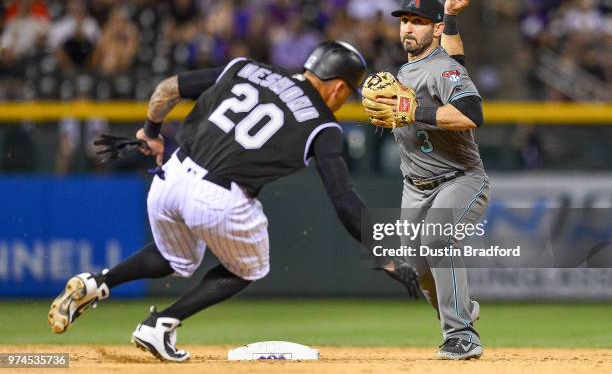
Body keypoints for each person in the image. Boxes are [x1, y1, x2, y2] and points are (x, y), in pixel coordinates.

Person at [47, 41, 418, 362]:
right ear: (338, 88)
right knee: (249, 268)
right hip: (219, 195)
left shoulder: (245, 67)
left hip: (170, 175)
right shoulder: (323, 125)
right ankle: (161, 324)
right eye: (347, 92)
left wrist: (152, 131)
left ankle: (98, 281)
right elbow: (344, 200)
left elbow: (167, 89)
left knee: (174, 257)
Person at [371, 0, 490, 360]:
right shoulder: (402, 75)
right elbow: (457, 61)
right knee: (418, 269)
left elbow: (473, 114)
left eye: (419, 21)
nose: (408, 27)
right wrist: (451, 17)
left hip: (460, 178)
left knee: (438, 238)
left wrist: (413, 112)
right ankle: (461, 313)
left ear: (435, 29)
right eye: (405, 20)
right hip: (415, 187)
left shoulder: (442, 69)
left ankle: (462, 335)